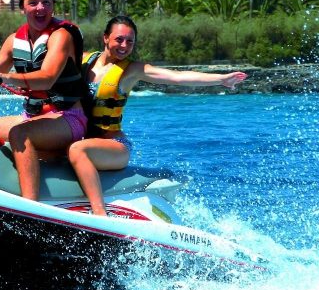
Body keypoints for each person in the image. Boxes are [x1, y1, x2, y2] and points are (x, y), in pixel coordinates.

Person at [70, 15, 248, 216]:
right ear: (105, 38)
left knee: (78, 150)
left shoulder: (132, 70)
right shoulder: (83, 60)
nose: (124, 45)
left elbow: (177, 77)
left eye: (130, 41)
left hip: (114, 146)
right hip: (82, 137)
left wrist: (222, 79)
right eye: (119, 39)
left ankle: (100, 214)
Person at [0, 0, 89, 201]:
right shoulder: (14, 41)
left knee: (20, 133)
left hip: (68, 118)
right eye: (33, 3)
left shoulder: (61, 36)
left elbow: (47, 78)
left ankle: (29, 206)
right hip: (32, 117)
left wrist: (4, 77)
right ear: (22, 7)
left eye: (46, 2)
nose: (41, 8)